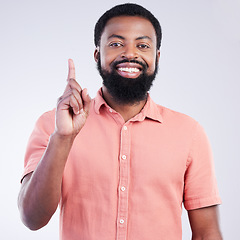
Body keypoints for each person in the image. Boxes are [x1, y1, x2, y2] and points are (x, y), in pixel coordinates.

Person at [18, 3, 222, 240]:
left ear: (156, 57)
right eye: (116, 44)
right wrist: (62, 139)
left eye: (143, 45)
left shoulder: (189, 133)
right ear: (97, 54)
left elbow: (207, 232)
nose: (130, 53)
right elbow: (31, 219)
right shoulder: (53, 124)